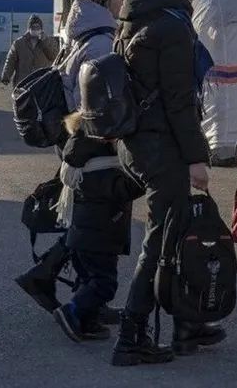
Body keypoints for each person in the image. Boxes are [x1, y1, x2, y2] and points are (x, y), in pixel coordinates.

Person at [111, 0, 224, 367]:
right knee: (160, 240)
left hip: (135, 140)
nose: (193, 0)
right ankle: (130, 338)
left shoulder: (133, 18)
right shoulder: (172, 27)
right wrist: (197, 159)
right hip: (161, 146)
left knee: (172, 238)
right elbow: (179, 102)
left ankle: (186, 323)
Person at [14, 0, 129, 323]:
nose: (124, 4)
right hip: (89, 143)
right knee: (96, 225)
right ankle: (80, 298)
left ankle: (68, 288)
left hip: (73, 141)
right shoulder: (99, 42)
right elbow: (92, 103)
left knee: (85, 222)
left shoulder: (83, 33)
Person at [52, 111, 143, 343]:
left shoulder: (81, 159)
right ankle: (71, 311)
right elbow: (124, 189)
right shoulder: (102, 167)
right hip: (99, 233)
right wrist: (144, 176)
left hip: (84, 233)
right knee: (104, 283)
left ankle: (87, 321)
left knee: (89, 280)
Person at [0, 15, 60, 88]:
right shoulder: (19, 43)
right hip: (23, 82)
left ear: (41, 28)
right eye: (33, 27)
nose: (35, 29)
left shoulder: (49, 41)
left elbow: (54, 57)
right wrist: (6, 76)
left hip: (41, 81)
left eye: (38, 27)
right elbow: (10, 60)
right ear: (29, 28)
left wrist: (44, 42)